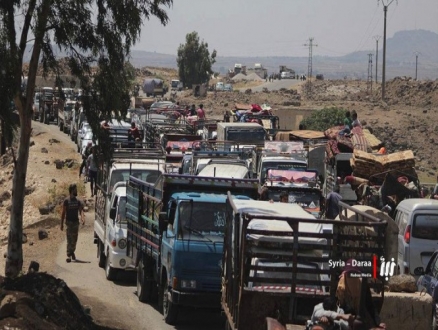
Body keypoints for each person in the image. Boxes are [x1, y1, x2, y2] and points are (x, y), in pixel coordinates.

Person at [336, 262, 386, 329]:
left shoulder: (362, 285)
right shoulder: (341, 287)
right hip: (344, 318)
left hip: (360, 318)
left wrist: (378, 322)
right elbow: (336, 305)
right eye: (349, 274)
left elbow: (370, 305)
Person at [60, 184, 85, 263]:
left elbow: (80, 210)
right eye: (75, 189)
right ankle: (69, 255)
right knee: (69, 239)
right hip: (69, 222)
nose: (76, 191)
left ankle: (72, 251)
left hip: (75, 223)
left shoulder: (78, 201)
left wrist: (82, 218)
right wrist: (61, 224)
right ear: (72, 190)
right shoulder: (66, 201)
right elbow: (63, 212)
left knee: (74, 239)